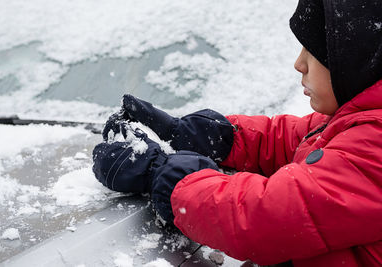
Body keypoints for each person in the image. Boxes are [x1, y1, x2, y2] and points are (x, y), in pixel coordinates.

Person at [92, 0, 382, 266]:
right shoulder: (355, 122)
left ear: (355, 63)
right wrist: (200, 134)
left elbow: (265, 218)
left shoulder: (375, 144)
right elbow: (288, 139)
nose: (299, 64)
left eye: (314, 51)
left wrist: (162, 173)